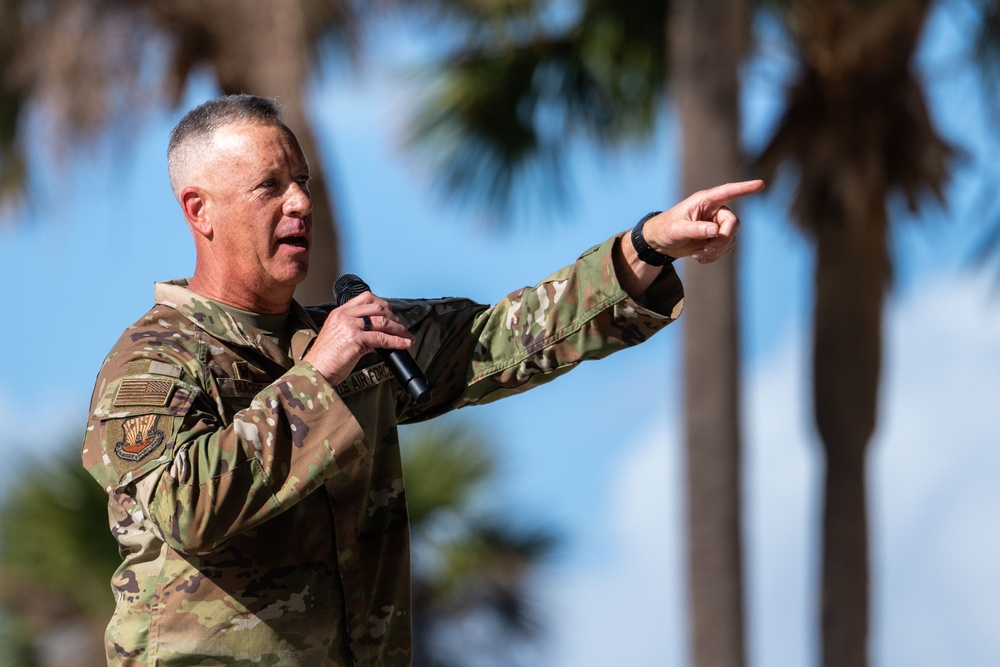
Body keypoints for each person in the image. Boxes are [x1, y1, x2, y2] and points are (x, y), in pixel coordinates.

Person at [81, 93, 764, 666]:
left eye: (304, 182)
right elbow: (189, 507)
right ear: (199, 211)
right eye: (270, 187)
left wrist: (644, 246)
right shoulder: (153, 363)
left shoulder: (346, 334)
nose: (299, 203)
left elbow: (499, 339)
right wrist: (318, 375)